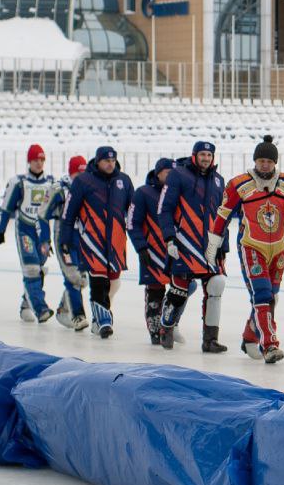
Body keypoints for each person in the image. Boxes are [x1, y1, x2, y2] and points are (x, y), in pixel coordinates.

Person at [206, 135, 284, 364]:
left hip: (278, 248)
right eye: (261, 161)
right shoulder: (239, 183)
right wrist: (214, 242)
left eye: (269, 161)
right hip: (251, 246)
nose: (265, 165)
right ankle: (269, 345)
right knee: (262, 295)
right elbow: (223, 214)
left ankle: (249, 336)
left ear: (275, 163)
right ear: (255, 162)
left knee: (271, 299)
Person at [156, 140, 229, 353]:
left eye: (209, 155)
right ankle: (166, 328)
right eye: (202, 154)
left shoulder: (218, 180)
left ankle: (210, 340)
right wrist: (169, 237)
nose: (206, 158)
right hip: (184, 244)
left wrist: (223, 245)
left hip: (210, 248)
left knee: (216, 286)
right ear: (194, 155)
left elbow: (223, 215)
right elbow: (165, 208)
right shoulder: (178, 175)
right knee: (179, 291)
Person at [60, 146, 134, 339]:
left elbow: (133, 211)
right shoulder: (83, 181)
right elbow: (69, 213)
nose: (110, 164)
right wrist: (65, 239)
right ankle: (104, 322)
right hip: (92, 241)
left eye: (113, 160)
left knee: (113, 282)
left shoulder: (124, 181)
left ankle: (97, 320)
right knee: (98, 281)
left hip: (116, 242)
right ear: (98, 161)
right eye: (106, 161)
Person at [0, 144, 56, 323]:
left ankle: (25, 304)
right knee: (31, 269)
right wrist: (0, 232)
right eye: (36, 159)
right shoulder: (19, 182)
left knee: (39, 269)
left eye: (42, 159)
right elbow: (6, 209)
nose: (39, 163)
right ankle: (41, 308)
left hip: (43, 233)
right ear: (29, 161)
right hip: (25, 230)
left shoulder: (51, 183)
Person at [129, 157, 176, 346]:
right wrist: (141, 247)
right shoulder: (143, 193)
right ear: (158, 173)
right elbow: (133, 223)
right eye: (168, 173)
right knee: (155, 292)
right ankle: (155, 328)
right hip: (152, 251)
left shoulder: (178, 192)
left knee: (179, 289)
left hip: (174, 251)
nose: (172, 177)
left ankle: (170, 324)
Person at [43, 154, 89, 331]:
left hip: (84, 238)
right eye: (78, 173)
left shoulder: (89, 189)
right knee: (73, 276)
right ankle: (77, 315)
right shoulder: (58, 189)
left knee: (82, 279)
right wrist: (44, 240)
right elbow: (42, 214)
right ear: (71, 173)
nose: (82, 178)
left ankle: (63, 310)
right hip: (65, 238)